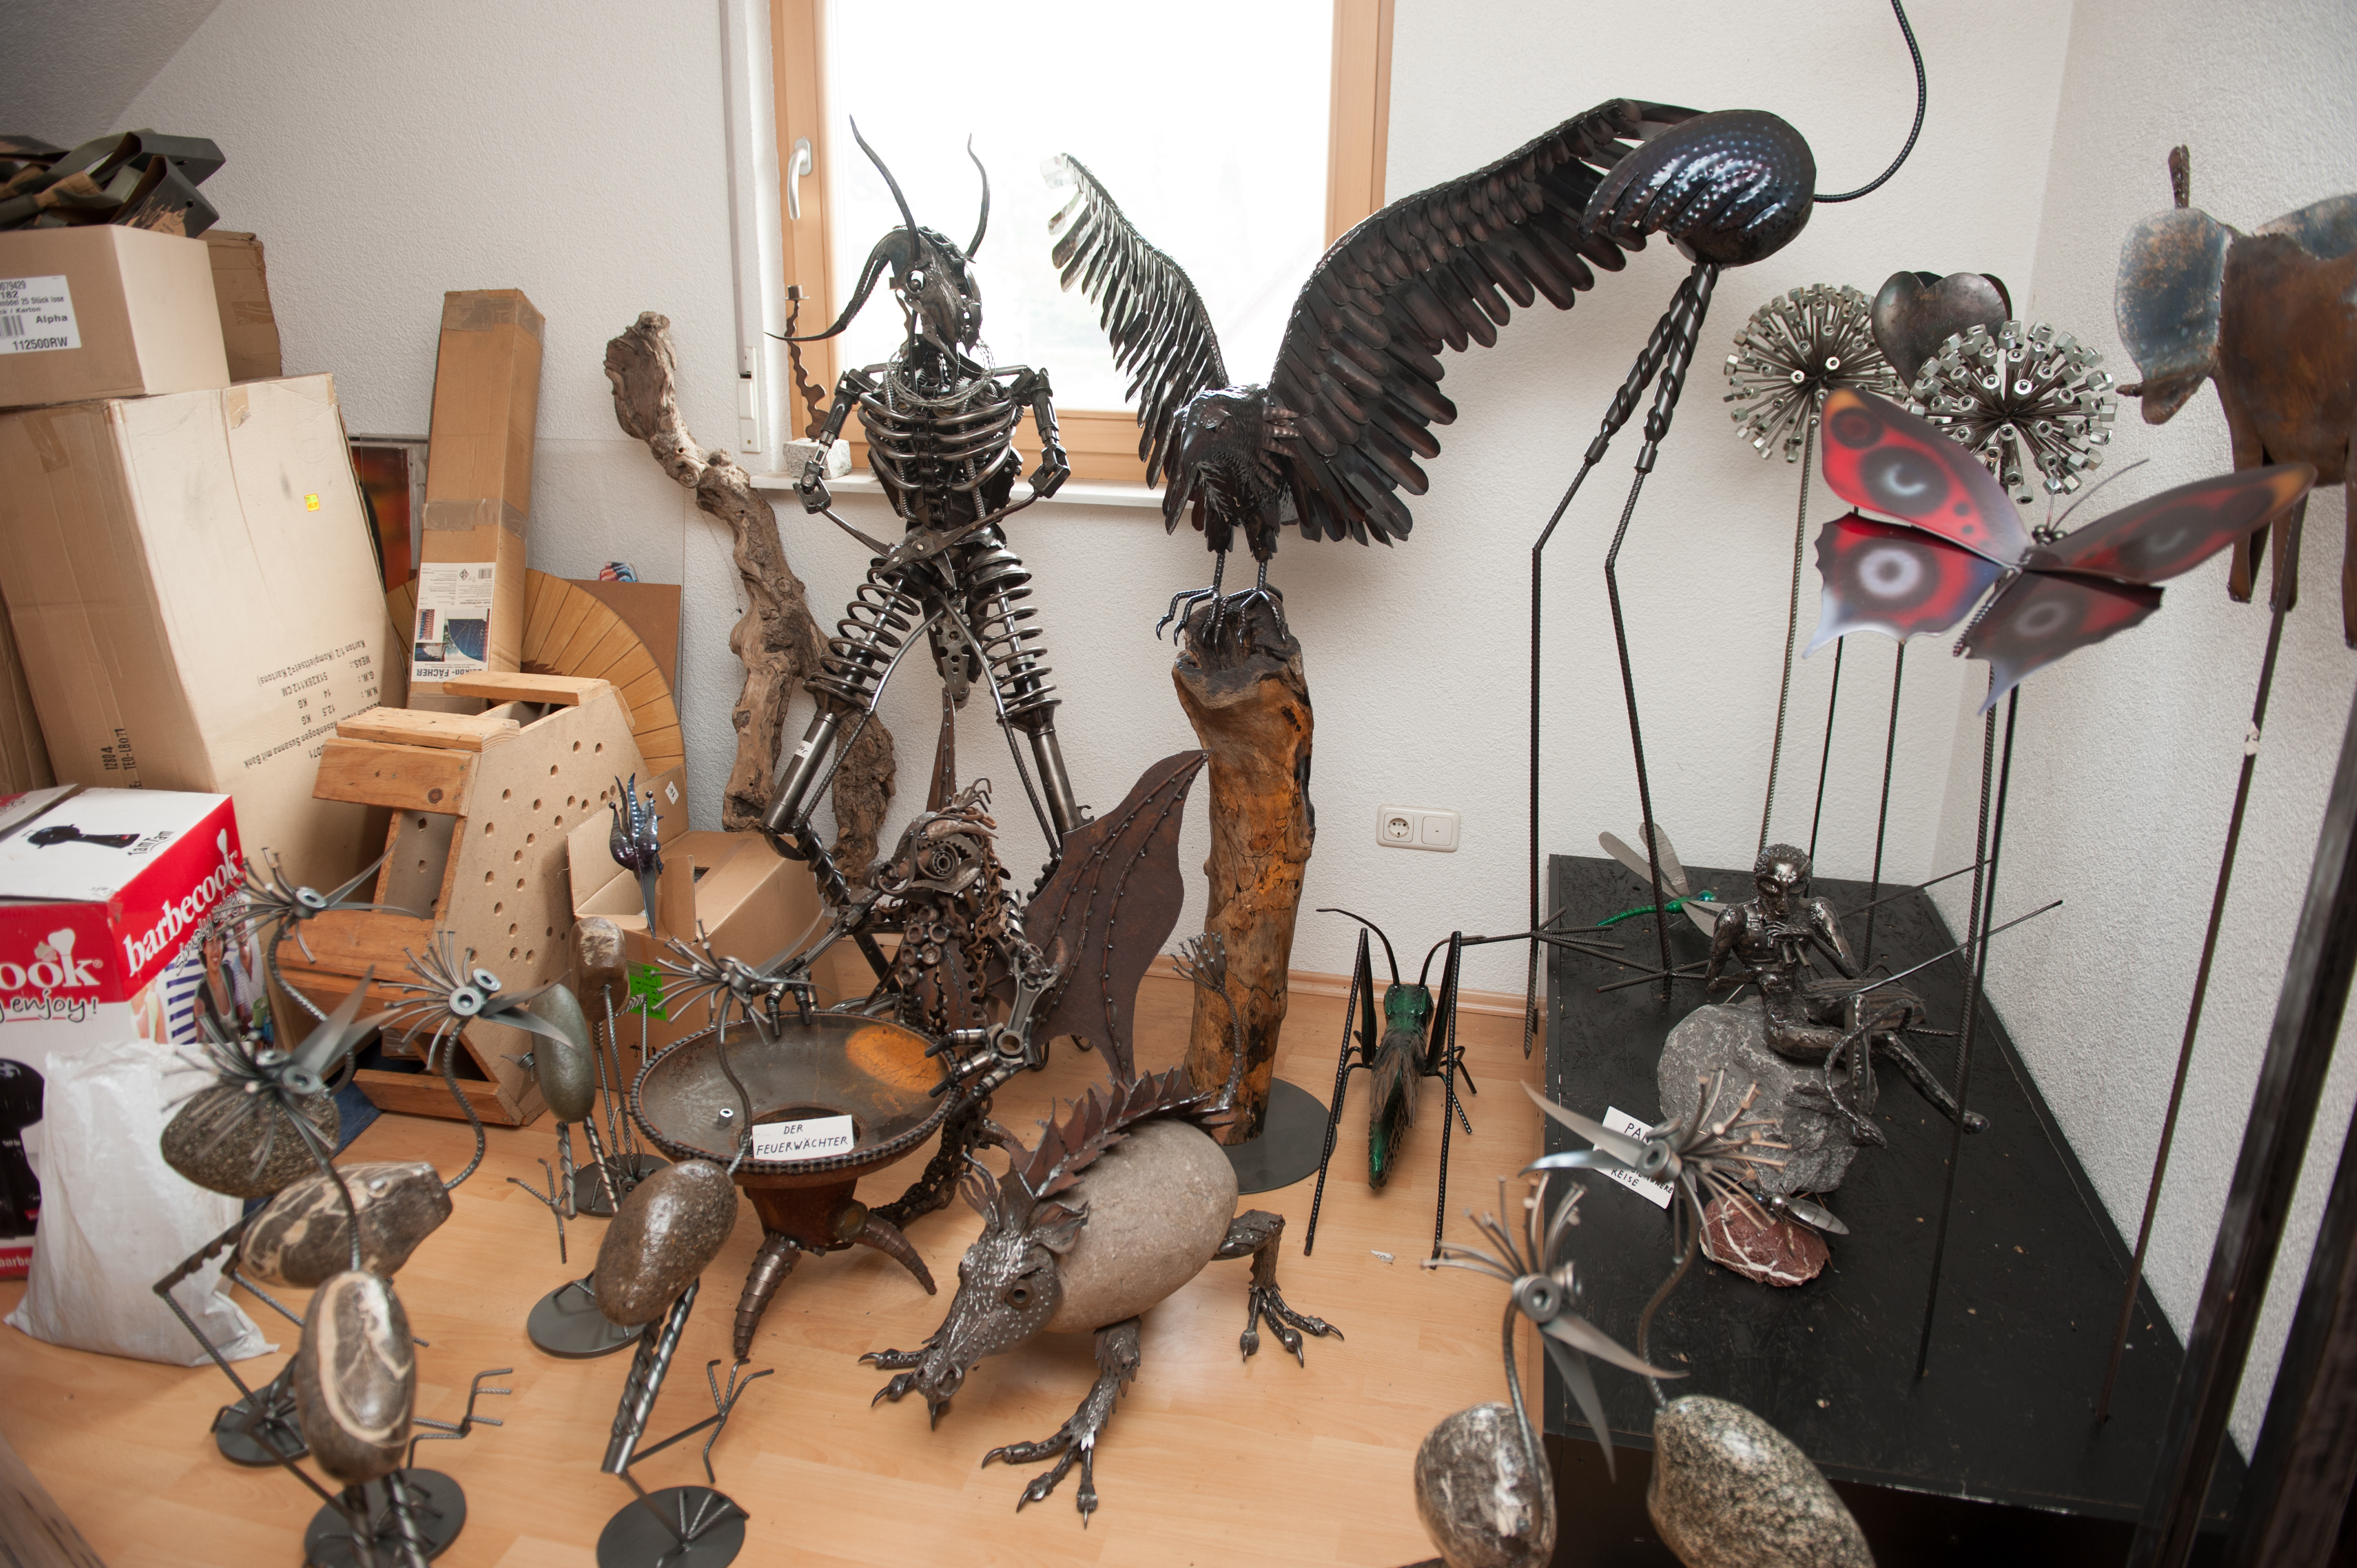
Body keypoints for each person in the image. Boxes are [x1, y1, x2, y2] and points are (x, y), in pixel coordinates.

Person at [1701, 844, 1988, 1142]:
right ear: (1758, 881)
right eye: (1772, 889)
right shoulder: (1737, 917)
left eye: (1795, 888)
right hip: (1779, 1001)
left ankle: (1951, 1113)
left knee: (1858, 1004)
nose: (1784, 902)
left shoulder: (1816, 910)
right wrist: (1758, 973)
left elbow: (1851, 972)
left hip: (1811, 995)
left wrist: (1811, 936)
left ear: (1805, 882)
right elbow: (1713, 984)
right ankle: (1866, 1079)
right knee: (1791, 1037)